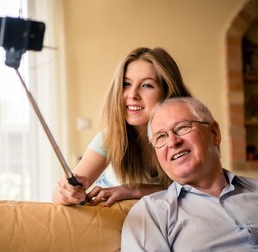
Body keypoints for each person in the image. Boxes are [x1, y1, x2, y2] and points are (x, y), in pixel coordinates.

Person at [121, 97, 258, 252]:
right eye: (161, 137)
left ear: (214, 133)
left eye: (182, 127)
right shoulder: (151, 213)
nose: (172, 142)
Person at [52, 47, 192, 206]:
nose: (132, 94)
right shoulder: (109, 138)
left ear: (168, 92)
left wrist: (133, 190)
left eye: (146, 85)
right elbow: (57, 197)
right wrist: (67, 192)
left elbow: (197, 189)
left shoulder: (188, 135)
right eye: (126, 84)